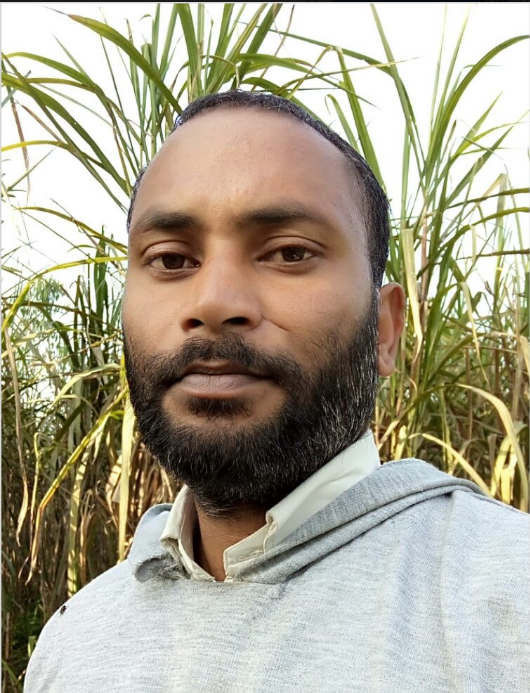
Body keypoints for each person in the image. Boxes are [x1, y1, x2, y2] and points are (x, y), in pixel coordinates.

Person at [24, 91, 528, 693]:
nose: (214, 302)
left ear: (385, 330)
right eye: (171, 259)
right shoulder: (75, 640)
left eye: (289, 253)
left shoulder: (507, 601)